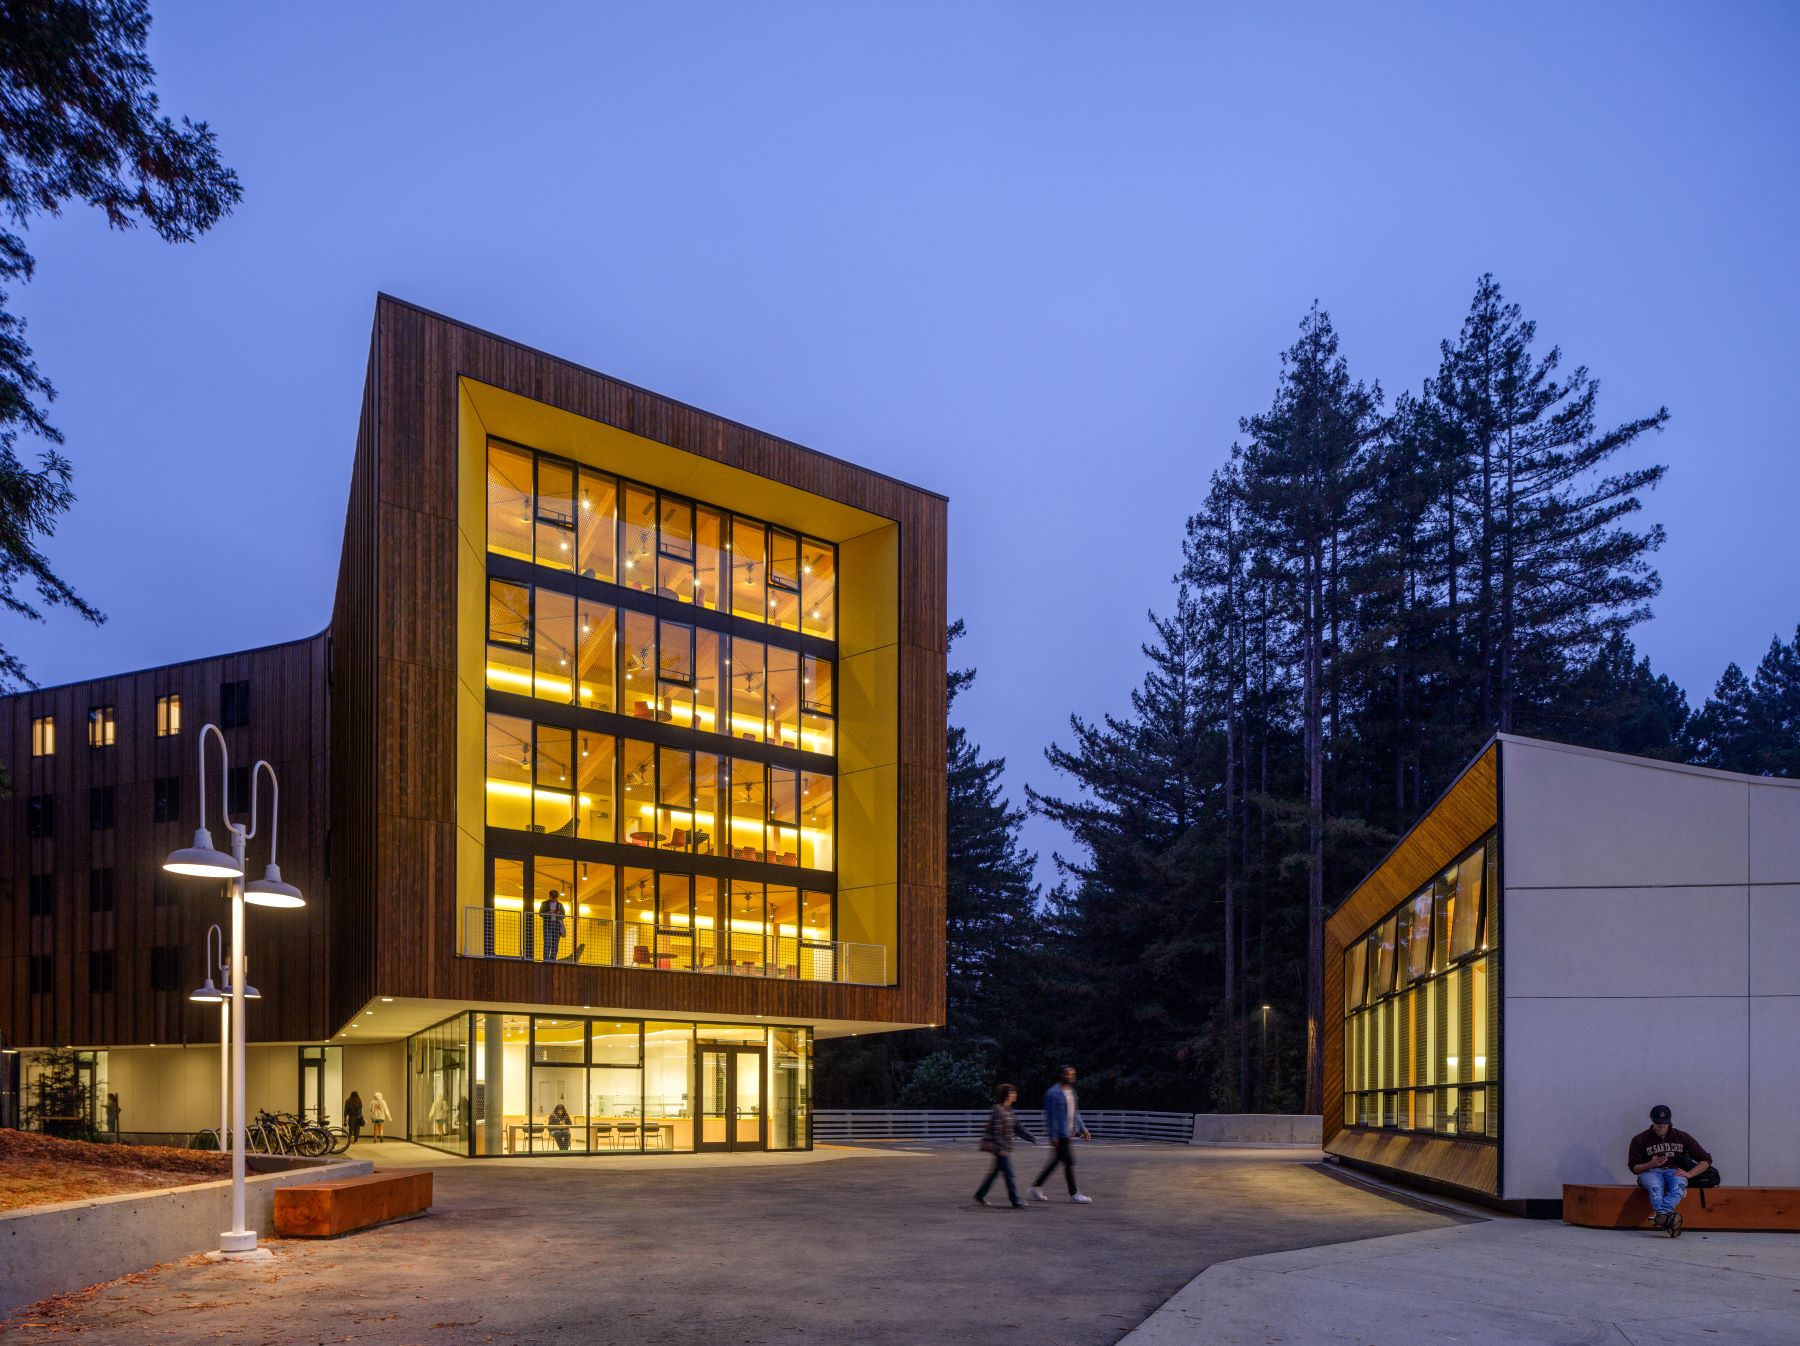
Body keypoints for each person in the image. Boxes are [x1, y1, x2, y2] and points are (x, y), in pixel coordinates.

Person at [1628, 1103, 1713, 1235]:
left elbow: (1706, 1159)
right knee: (1655, 1187)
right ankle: (1669, 1219)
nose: (1662, 1125)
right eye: (1658, 1122)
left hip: (1674, 1170)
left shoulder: (1682, 1137)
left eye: (1665, 1122)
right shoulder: (1640, 1139)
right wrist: (1650, 1164)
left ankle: (1662, 1217)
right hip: (1650, 1172)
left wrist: (1690, 1174)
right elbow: (1634, 1168)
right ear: (1651, 1119)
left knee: (1678, 1187)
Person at [1029, 1065, 1093, 1204]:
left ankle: (1035, 1187)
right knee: (1069, 1162)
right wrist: (1054, 1136)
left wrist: (1084, 1129)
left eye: (1073, 1074)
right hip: (1060, 1134)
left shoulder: (1071, 1092)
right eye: (1068, 1074)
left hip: (1068, 1133)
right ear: (1061, 1075)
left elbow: (1076, 1113)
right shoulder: (1053, 1093)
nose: (1071, 1076)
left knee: (1055, 1162)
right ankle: (1074, 1193)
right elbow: (1051, 1117)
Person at [974, 1083, 1037, 1207]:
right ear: (1007, 1095)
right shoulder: (998, 1109)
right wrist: (1001, 1148)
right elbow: (997, 1131)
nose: (1015, 1094)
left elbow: (1018, 1127)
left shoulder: (1009, 1111)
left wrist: (1031, 1137)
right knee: (1009, 1174)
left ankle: (980, 1194)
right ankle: (1015, 1200)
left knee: (994, 1173)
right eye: (1012, 1092)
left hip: (1004, 1148)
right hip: (1000, 1149)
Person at [540, 888, 568, 962]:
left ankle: (553, 959)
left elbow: (563, 915)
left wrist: (559, 914)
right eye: (552, 897)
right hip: (548, 924)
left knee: (555, 943)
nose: (553, 899)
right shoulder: (544, 903)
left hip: (557, 925)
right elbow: (540, 914)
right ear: (549, 896)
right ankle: (546, 959)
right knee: (547, 942)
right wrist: (549, 912)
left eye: (555, 898)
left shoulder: (560, 905)